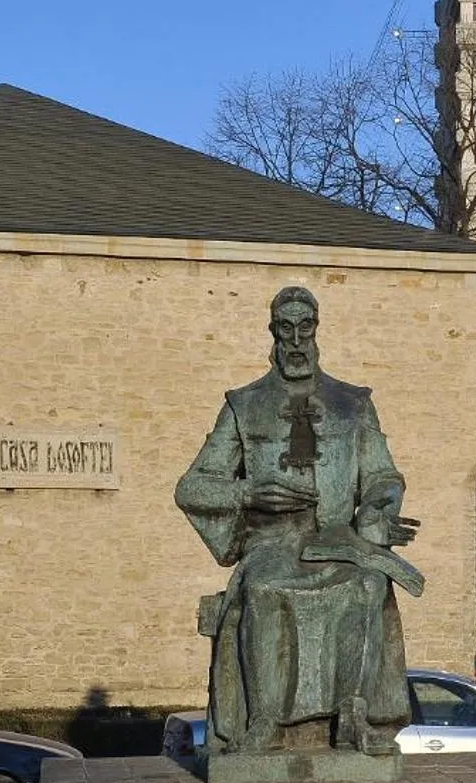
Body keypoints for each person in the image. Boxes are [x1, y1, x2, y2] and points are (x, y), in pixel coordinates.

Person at [176, 287, 423, 757]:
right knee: (263, 588)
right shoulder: (243, 404)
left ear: (316, 329)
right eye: (285, 328)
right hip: (272, 544)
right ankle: (264, 722)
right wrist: (247, 492)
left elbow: (383, 476)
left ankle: (352, 717)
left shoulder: (353, 403)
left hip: (339, 542)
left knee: (367, 585)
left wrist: (376, 510)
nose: (295, 340)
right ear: (272, 332)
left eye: (304, 327)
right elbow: (191, 487)